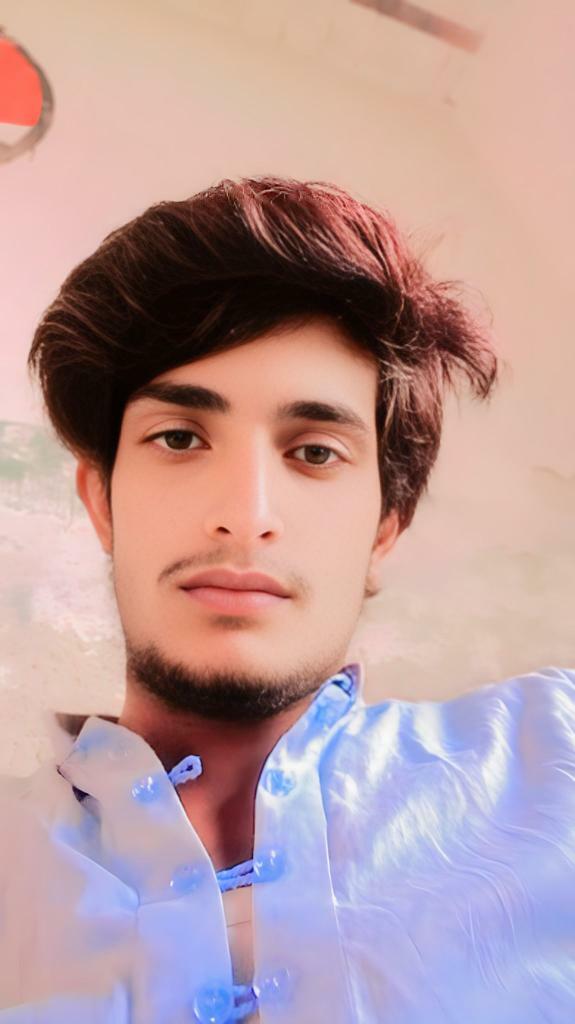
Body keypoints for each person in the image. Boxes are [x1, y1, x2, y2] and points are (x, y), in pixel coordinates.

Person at [2, 176, 573, 1023]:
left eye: (313, 453)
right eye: (179, 438)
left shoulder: (554, 757)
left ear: (384, 525)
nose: (246, 515)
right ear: (101, 501)